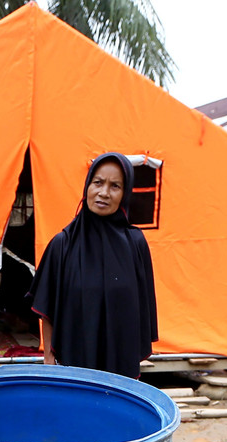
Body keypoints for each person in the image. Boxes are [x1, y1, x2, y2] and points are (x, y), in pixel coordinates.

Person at [29, 152, 158, 379]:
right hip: (74, 363)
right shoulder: (63, 245)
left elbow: (143, 308)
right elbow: (47, 308)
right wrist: (49, 358)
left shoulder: (135, 244)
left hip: (120, 367)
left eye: (115, 186)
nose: (104, 193)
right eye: (98, 183)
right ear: (87, 186)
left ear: (125, 194)